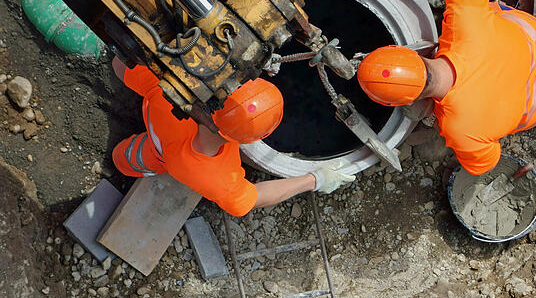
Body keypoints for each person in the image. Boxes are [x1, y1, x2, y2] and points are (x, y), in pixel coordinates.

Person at [341, 0, 536, 176]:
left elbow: (485, 165)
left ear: (406, 102)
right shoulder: (464, 24)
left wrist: (434, 113)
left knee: (486, 129)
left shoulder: (460, 129)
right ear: (408, 51)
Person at [111, 57, 354, 216]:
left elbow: (121, 64)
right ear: (250, 141)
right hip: (161, 155)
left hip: (157, 121)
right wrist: (315, 180)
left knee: (125, 156)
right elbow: (252, 198)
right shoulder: (218, 179)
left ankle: (122, 158)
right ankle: (121, 162)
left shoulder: (178, 85)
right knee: (125, 160)